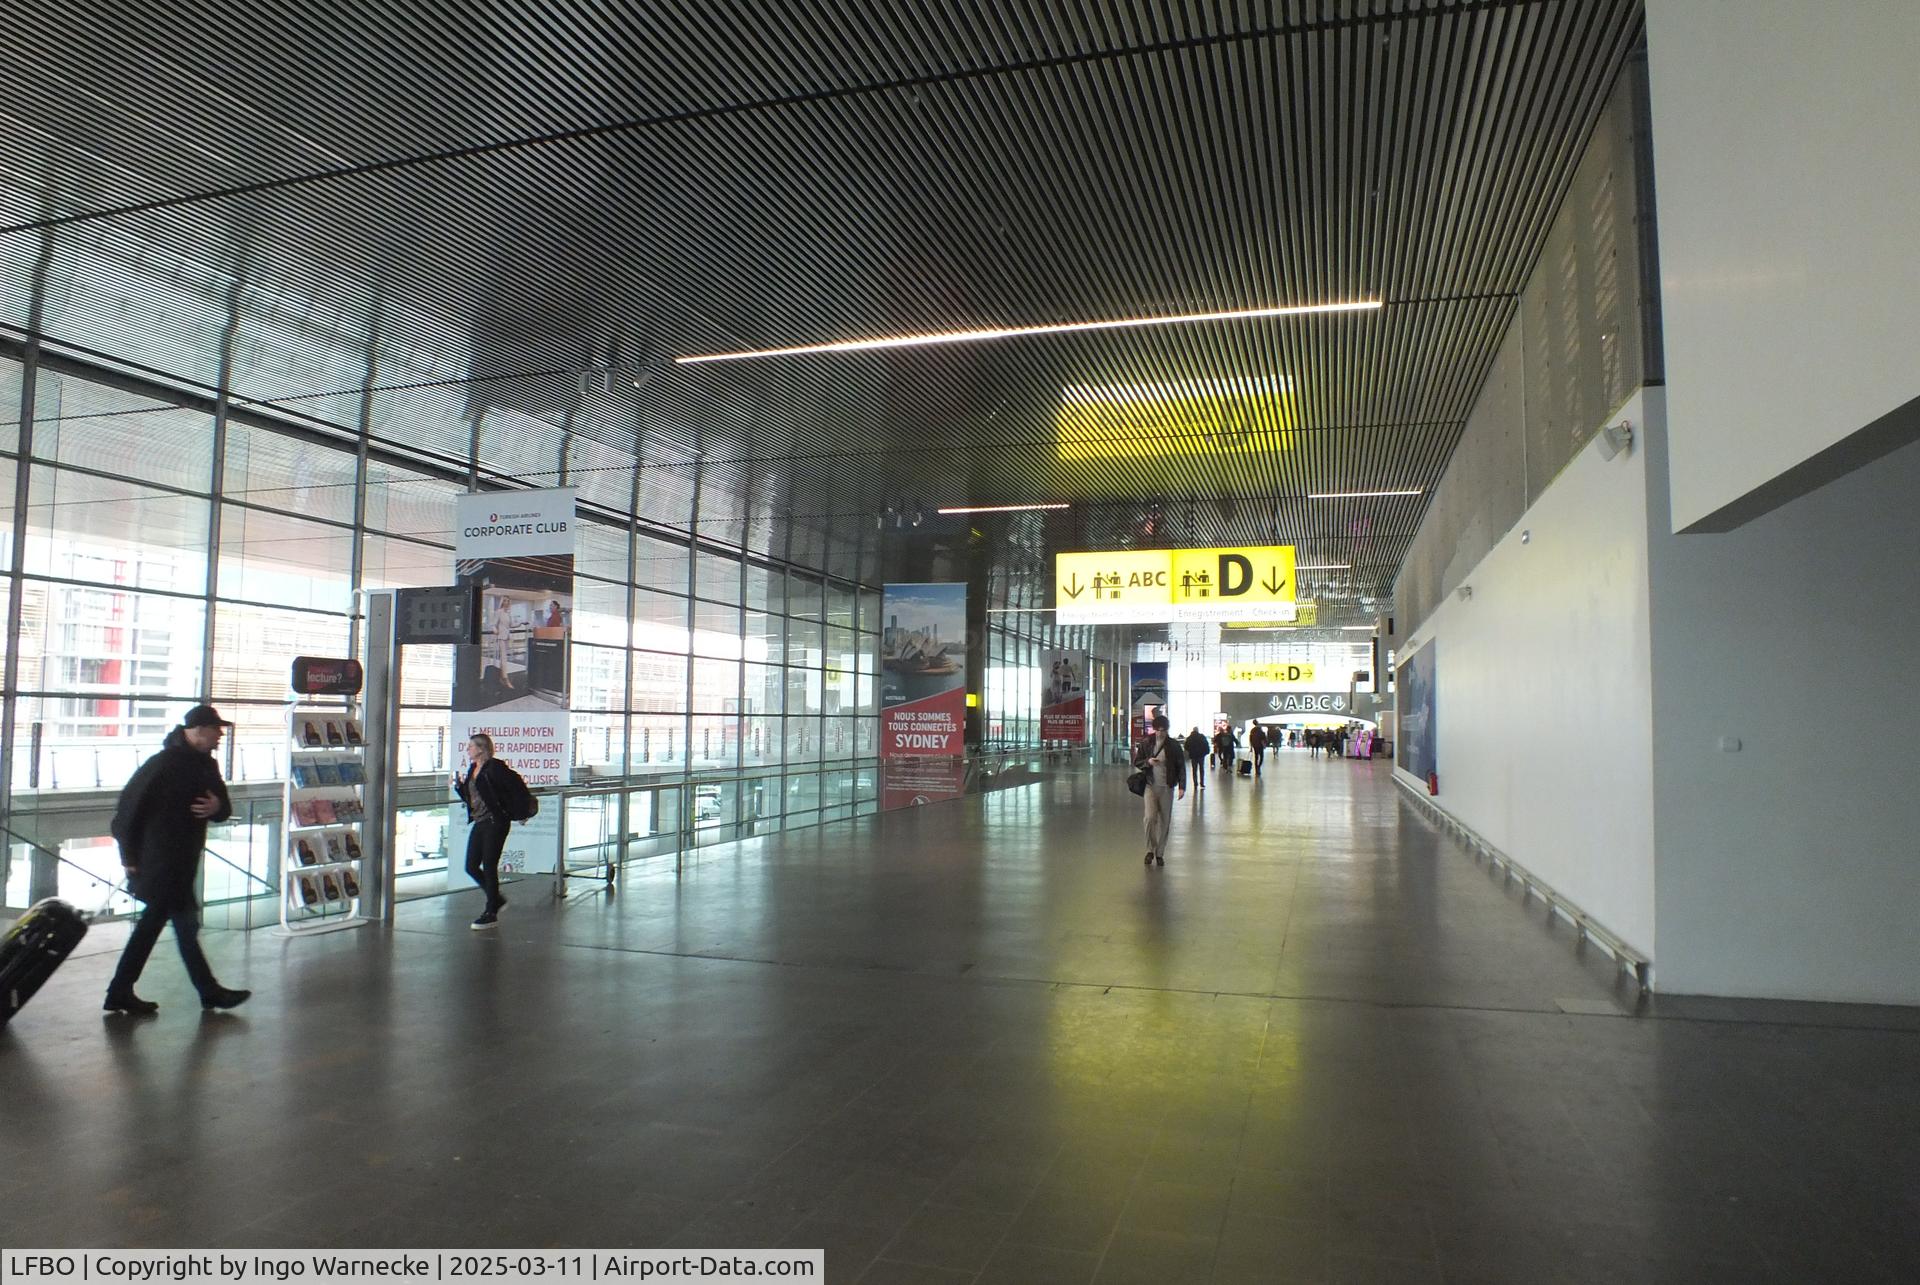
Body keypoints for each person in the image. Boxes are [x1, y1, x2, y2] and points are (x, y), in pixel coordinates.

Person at [104, 705, 251, 1015]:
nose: (220, 736)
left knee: (156, 926)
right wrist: (129, 859)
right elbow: (126, 815)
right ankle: (208, 991)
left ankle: (120, 991)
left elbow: (223, 807)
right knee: (182, 926)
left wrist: (216, 807)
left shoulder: (206, 766)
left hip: (181, 864)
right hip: (158, 862)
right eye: (215, 730)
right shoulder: (162, 765)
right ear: (197, 730)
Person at [452, 733, 516, 929]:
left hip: (495, 822)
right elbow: (472, 799)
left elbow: (513, 789)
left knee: (489, 865)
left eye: (471, 746)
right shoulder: (473, 769)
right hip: (480, 821)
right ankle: (496, 898)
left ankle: (491, 911)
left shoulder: (495, 768)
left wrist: (516, 812)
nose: (468, 749)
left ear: (481, 748)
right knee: (471, 866)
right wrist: (458, 788)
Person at [1132, 714, 1186, 866]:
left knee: (1165, 821)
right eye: (1157, 730)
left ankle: (1160, 853)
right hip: (1150, 786)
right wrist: (1148, 762)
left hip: (1167, 787)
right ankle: (1150, 849)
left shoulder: (1174, 745)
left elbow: (1180, 766)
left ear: (1167, 730)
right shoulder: (1147, 742)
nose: (1160, 733)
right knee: (1149, 818)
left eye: (1163, 730)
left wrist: (1182, 786)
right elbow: (1137, 761)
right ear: (1154, 729)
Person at [1183, 726, 1209, 792]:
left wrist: (1191, 751)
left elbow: (1186, 746)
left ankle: (1195, 784)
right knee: (1201, 769)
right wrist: (1205, 752)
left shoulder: (1189, 738)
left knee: (1194, 770)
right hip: (1201, 756)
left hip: (1193, 756)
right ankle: (1202, 783)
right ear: (1197, 730)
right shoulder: (1201, 737)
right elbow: (1206, 744)